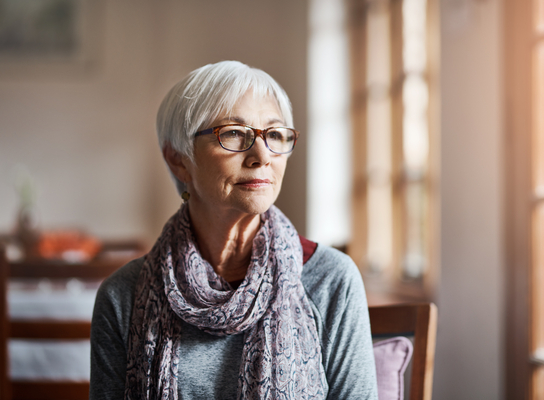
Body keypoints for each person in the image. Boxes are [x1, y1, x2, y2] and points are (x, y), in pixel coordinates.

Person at [90, 61, 378, 400]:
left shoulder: (331, 279)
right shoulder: (123, 296)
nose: (261, 155)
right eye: (233, 133)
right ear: (178, 159)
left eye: (274, 135)